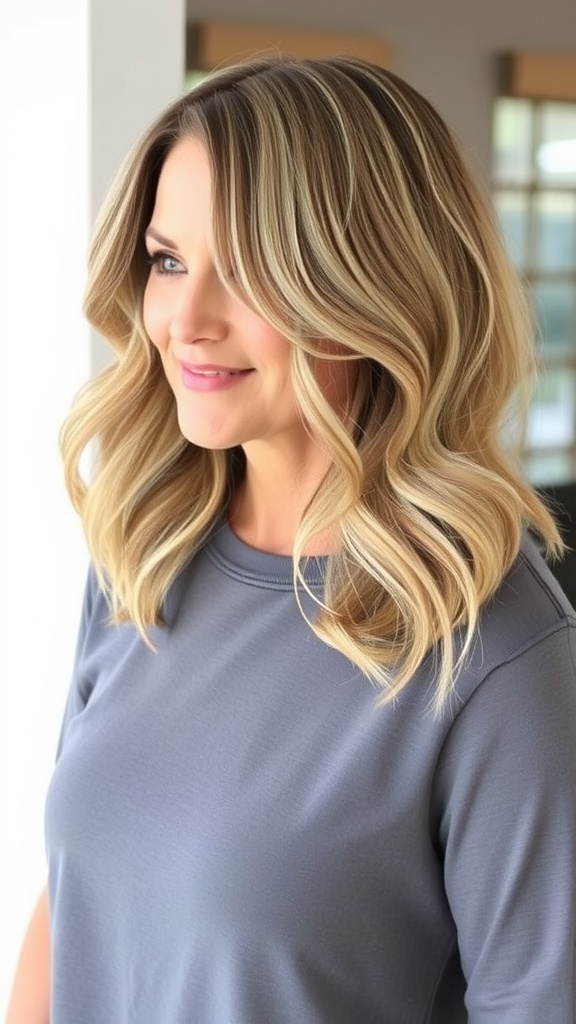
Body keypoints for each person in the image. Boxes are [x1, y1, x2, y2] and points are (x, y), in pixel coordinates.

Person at [5, 55, 576, 1024]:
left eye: (249, 270)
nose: (184, 320)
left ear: (374, 285)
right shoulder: (141, 557)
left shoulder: (495, 651)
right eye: (169, 259)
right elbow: (72, 911)